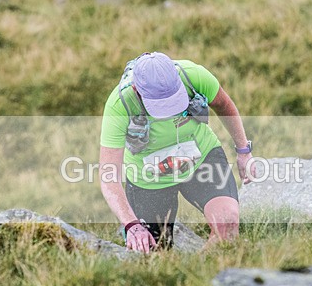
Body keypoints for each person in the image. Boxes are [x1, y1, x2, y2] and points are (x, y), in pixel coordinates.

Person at [99, 52, 254, 252]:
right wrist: (132, 225)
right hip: (147, 179)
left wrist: (244, 152)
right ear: (137, 90)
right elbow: (108, 176)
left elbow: (224, 105)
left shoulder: (193, 76)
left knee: (228, 227)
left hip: (200, 160)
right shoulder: (119, 105)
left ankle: (202, 279)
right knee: (153, 253)